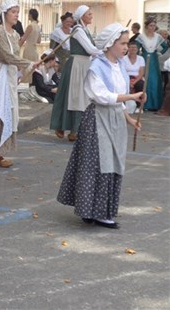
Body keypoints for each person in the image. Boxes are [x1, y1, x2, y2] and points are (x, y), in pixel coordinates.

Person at [57, 23, 144, 229]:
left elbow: (117, 101)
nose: (126, 47)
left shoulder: (120, 66)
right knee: (99, 164)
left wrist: (129, 118)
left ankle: (101, 211)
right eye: (122, 43)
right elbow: (103, 96)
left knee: (113, 163)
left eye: (126, 43)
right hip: (98, 120)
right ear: (109, 44)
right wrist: (132, 95)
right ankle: (94, 212)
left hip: (114, 119)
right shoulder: (96, 67)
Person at [0, 0, 38, 168]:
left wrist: (21, 70)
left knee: (8, 112)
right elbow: (6, 56)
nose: (17, 14)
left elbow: (15, 57)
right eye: (13, 12)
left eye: (18, 11)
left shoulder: (15, 35)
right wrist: (28, 63)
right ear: (4, 14)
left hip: (9, 75)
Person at [50, 5, 102, 141]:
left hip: (84, 64)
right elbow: (90, 49)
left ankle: (75, 129)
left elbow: (93, 49)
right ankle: (72, 129)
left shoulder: (86, 31)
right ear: (82, 16)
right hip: (77, 66)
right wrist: (106, 53)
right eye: (89, 14)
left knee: (80, 97)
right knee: (76, 97)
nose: (91, 16)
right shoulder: (78, 30)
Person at [136, 18, 166, 111]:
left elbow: (165, 46)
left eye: (154, 26)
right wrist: (138, 57)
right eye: (151, 26)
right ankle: (145, 104)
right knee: (145, 80)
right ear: (146, 26)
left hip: (154, 60)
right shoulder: (141, 37)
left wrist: (159, 53)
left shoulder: (158, 37)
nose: (152, 27)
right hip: (144, 58)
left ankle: (155, 104)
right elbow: (136, 48)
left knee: (155, 80)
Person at [120, 41, 145, 110]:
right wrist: (129, 81)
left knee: (140, 85)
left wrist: (134, 82)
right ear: (128, 48)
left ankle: (139, 106)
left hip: (137, 78)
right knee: (123, 85)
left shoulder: (141, 59)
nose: (133, 49)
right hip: (126, 77)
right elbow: (122, 71)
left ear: (137, 49)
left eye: (135, 47)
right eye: (131, 47)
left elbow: (141, 73)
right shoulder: (123, 58)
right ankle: (123, 106)